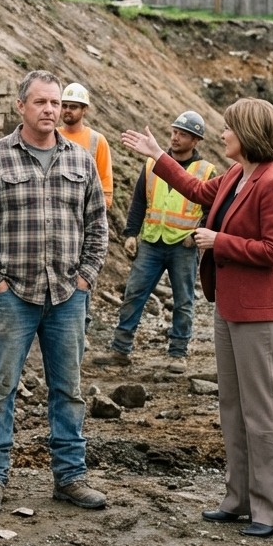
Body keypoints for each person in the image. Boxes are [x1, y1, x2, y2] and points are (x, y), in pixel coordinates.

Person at [121, 98, 273, 538]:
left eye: (229, 128)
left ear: (250, 134)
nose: (222, 134)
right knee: (233, 408)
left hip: (259, 314)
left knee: (262, 412)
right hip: (229, 307)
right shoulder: (238, 175)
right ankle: (238, 499)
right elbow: (200, 191)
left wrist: (221, 241)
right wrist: (157, 154)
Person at [0, 69, 109, 514]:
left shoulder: (80, 161)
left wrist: (85, 278)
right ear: (21, 106)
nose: (50, 110)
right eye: (41, 102)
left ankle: (70, 477)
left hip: (66, 296)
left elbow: (97, 225)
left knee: (69, 390)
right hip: (13, 298)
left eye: (56, 103)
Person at [93, 111, 216, 372]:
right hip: (151, 240)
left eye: (183, 134)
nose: (175, 137)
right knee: (134, 293)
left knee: (183, 300)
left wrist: (197, 234)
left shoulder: (206, 171)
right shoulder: (152, 165)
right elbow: (139, 201)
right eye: (174, 132)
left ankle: (178, 353)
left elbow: (211, 208)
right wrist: (130, 234)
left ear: (195, 141)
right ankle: (120, 349)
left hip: (183, 245)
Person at [58, 82, 113, 209]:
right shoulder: (51, 136)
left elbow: (106, 188)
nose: (67, 110)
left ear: (84, 110)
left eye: (73, 107)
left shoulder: (97, 140)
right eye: (64, 106)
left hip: (84, 215)